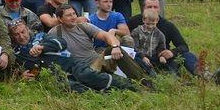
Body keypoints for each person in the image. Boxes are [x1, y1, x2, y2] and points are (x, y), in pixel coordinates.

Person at [8, 20, 136, 92]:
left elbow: (61, 43)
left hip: (71, 65)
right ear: (13, 37)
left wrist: (43, 47)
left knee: (88, 76)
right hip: (55, 77)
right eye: (17, 35)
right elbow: (13, 71)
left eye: (23, 32)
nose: (21, 36)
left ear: (27, 29)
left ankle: (130, 87)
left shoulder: (41, 36)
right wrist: (21, 76)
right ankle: (102, 95)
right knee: (70, 86)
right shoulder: (17, 53)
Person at [47, 4, 147, 83]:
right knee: (117, 81)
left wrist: (115, 46)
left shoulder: (84, 26)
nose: (73, 17)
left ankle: (142, 80)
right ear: (60, 19)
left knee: (116, 51)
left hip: (98, 61)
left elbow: (106, 35)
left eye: (74, 14)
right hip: (81, 70)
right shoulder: (54, 33)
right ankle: (127, 82)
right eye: (69, 15)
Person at [127, 0, 200, 76]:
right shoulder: (133, 21)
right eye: (149, 7)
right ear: (143, 8)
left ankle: (201, 73)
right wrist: (141, 56)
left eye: (155, 7)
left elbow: (184, 46)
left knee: (187, 55)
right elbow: (127, 42)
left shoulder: (168, 25)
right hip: (141, 58)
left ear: (159, 9)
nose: (153, 9)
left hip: (162, 59)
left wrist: (172, 52)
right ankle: (152, 75)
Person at [130, 9, 175, 75]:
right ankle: (150, 72)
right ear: (143, 20)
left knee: (167, 60)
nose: (150, 27)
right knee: (137, 60)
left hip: (153, 56)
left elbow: (161, 48)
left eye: (153, 24)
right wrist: (143, 57)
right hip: (140, 56)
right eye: (148, 24)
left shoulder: (160, 34)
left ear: (157, 21)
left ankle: (169, 72)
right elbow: (135, 47)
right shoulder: (136, 32)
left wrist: (161, 56)